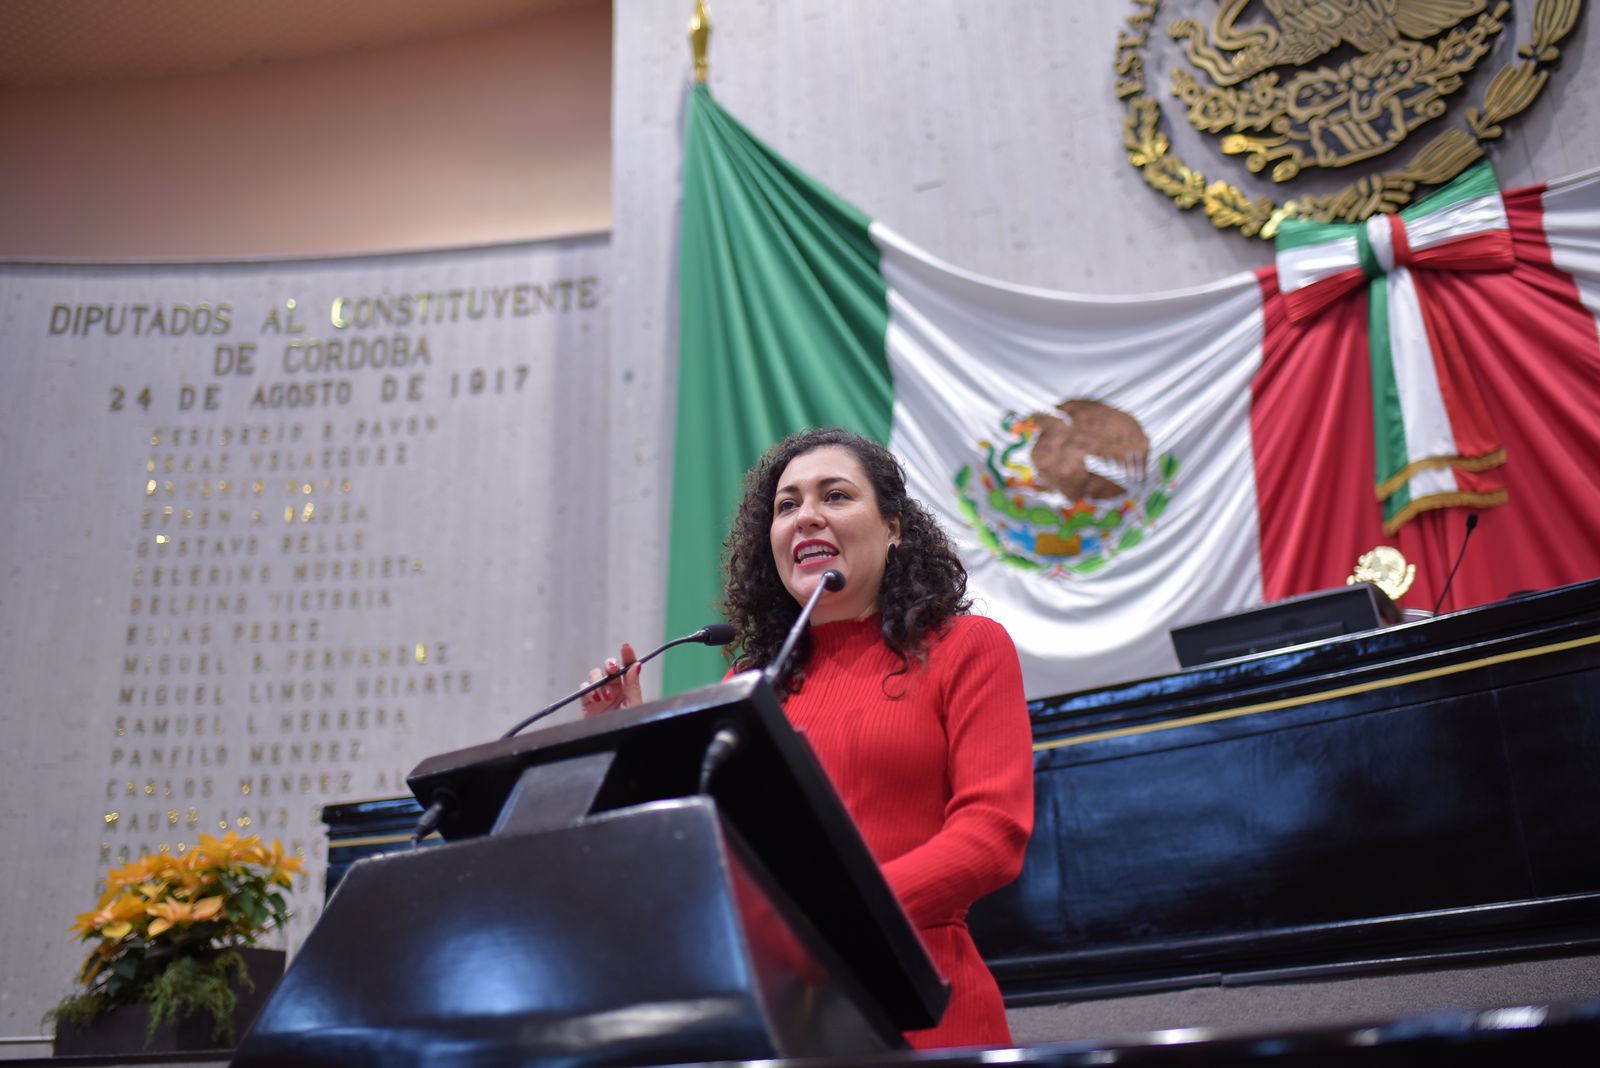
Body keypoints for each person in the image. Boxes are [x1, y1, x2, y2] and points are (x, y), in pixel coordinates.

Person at [583, 427, 1034, 1051]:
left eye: (836, 496)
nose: (807, 517)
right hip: (785, 1020)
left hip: (927, 1011)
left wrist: (836, 919)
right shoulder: (748, 686)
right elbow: (703, 862)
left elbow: (993, 835)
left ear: (894, 528)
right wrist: (630, 742)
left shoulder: (966, 647)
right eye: (787, 505)